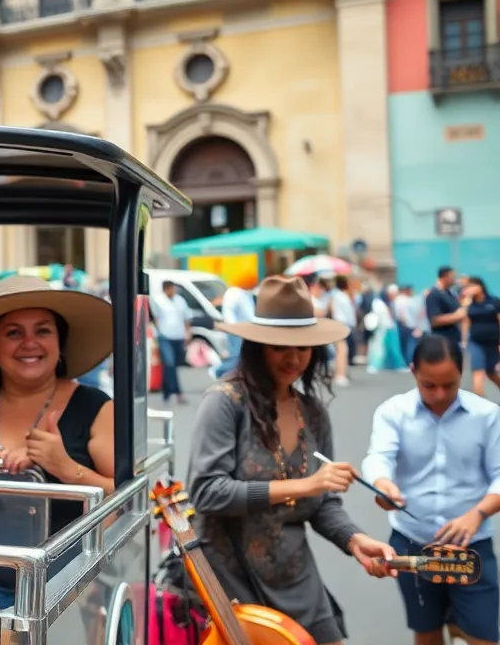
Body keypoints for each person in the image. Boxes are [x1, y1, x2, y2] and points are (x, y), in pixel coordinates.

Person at [188, 275, 396, 645]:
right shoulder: (224, 402)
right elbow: (206, 492)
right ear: (257, 346)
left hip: (296, 573)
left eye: (304, 347)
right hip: (231, 578)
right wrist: (306, 484)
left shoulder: (313, 412)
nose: (294, 357)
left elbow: (323, 504)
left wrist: (355, 540)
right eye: (281, 346)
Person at [0, 274, 116, 611]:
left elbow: (126, 502)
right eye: (14, 332)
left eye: (43, 331)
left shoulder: (96, 407)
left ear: (60, 344)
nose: (29, 343)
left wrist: (66, 468)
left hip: (68, 594)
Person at [362, 335, 500, 645]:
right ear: (413, 371)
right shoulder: (392, 412)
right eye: (429, 385)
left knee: (483, 636)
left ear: (461, 373)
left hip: (471, 546)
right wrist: (384, 485)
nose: (439, 395)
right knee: (426, 632)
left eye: (449, 385)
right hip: (412, 543)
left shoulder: (487, 415)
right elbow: (378, 457)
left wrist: (477, 514)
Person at [150, 280, 190, 404]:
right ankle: (178, 392)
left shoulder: (180, 300)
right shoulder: (158, 301)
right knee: (169, 363)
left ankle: (167, 391)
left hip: (178, 336)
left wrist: (188, 333)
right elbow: (155, 319)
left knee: (174, 365)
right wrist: (155, 337)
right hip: (164, 336)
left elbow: (186, 318)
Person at [462, 277, 500, 396]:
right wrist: (464, 340)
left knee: (492, 373)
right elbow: (465, 321)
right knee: (478, 371)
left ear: (480, 286)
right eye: (468, 287)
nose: (470, 289)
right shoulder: (469, 304)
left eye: (473, 286)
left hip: (493, 342)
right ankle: (480, 406)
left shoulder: (494, 301)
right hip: (476, 341)